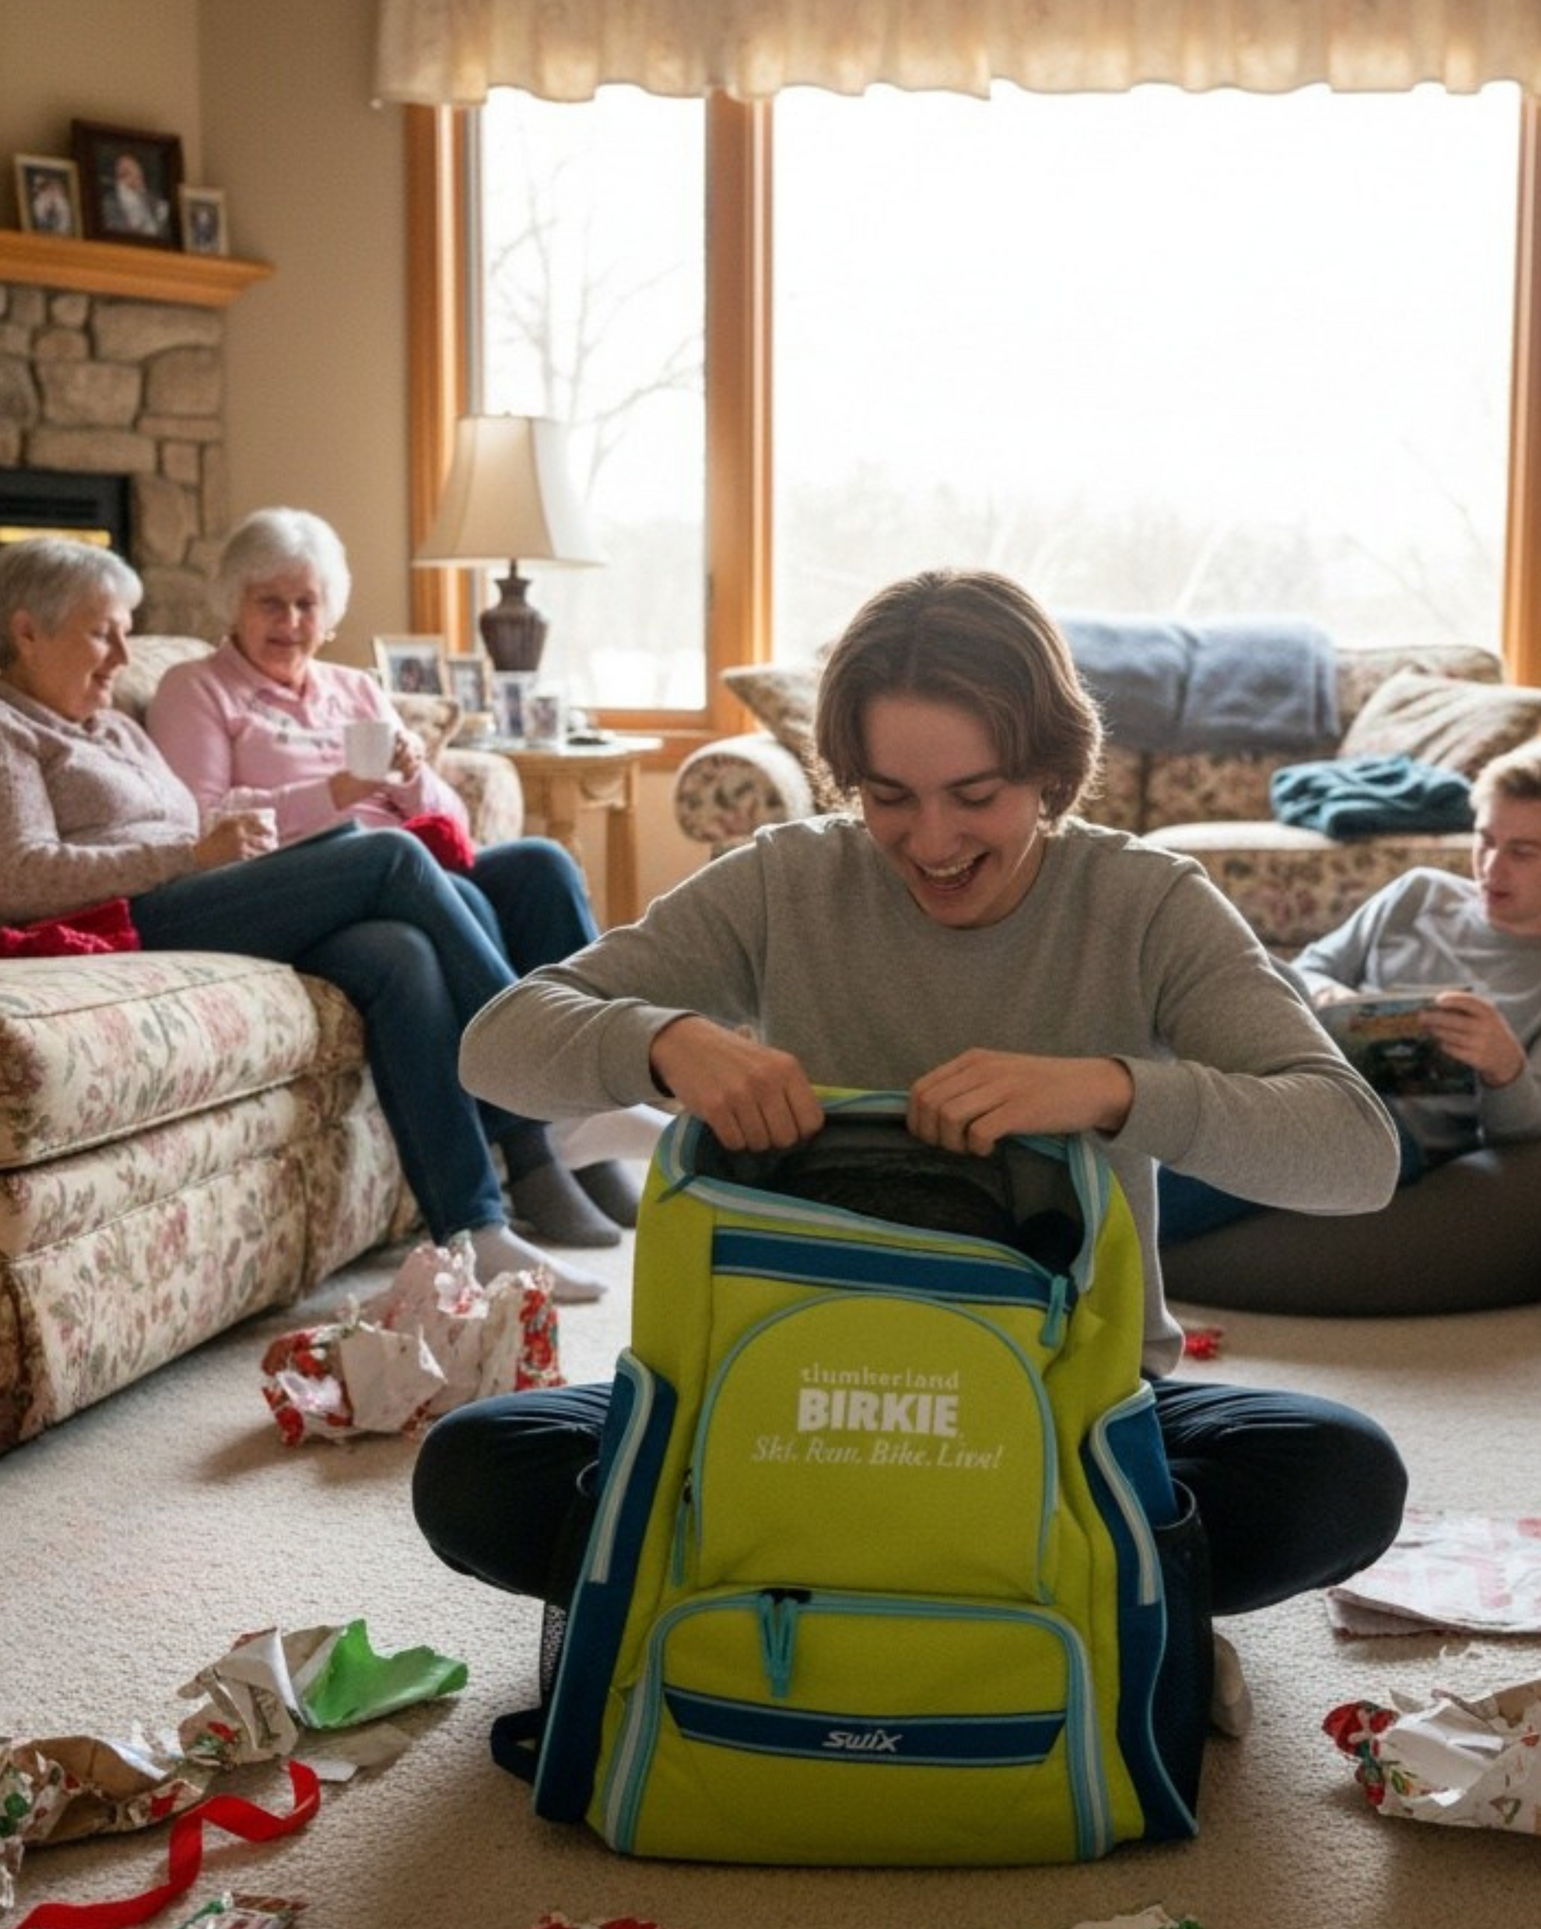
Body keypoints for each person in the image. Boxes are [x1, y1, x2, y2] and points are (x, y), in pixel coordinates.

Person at [412, 567, 1408, 1717]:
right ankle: (1099, 1600)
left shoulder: (1145, 905)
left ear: (1047, 768)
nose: (929, 840)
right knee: (471, 1469)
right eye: (888, 796)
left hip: (1058, 1413)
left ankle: (827, 1590)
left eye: (973, 794)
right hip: (784, 1402)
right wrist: (667, 1041)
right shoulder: (791, 880)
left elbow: (1353, 1153)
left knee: (1339, 1472)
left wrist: (1107, 1089)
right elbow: (495, 1044)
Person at [0, 535, 627, 1304]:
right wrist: (191, 854)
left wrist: (226, 843)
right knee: (387, 858)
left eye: (127, 630)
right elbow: (19, 877)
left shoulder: (112, 728)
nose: (124, 655)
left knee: (398, 952)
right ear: (27, 631)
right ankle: (553, 1086)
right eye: (105, 631)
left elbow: (198, 821)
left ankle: (473, 1228)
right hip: (106, 924)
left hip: (187, 894)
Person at [146, 506, 662, 1234]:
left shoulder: (353, 690)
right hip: (302, 895)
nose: (290, 620)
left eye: (307, 603)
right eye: (270, 602)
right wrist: (336, 796)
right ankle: (552, 1110)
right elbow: (204, 826)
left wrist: (416, 777)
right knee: (417, 902)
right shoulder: (197, 690)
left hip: (404, 879)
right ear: (233, 603)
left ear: (330, 613)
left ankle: (579, 1129)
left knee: (540, 866)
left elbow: (451, 824)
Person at [1157, 736, 1541, 1243]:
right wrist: (1330, 997)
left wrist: (1504, 1067)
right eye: (1485, 840)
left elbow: (1525, 1135)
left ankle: (1097, 1245)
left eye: (1522, 852)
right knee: (1213, 962)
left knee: (1214, 1152)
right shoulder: (1421, 892)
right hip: (1301, 1060)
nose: (1492, 867)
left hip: (1383, 1128)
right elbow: (1311, 967)